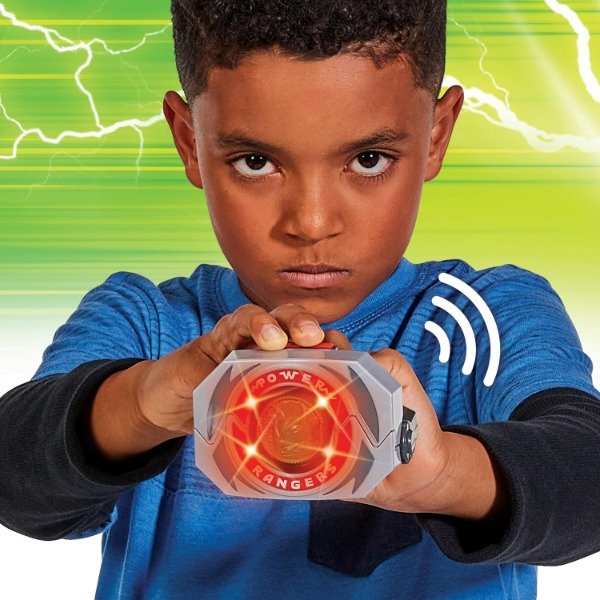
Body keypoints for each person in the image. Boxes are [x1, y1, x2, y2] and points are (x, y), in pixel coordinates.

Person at [1, 1, 599, 598]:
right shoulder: (145, 323)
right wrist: (143, 405)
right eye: (255, 162)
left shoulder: (484, 315)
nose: (311, 224)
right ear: (189, 140)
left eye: (369, 160)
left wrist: (445, 475)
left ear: (437, 134)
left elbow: (587, 472)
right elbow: (14, 478)